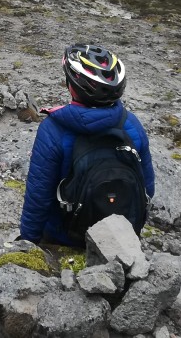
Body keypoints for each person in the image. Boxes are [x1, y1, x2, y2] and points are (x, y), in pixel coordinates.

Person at [19, 44, 155, 246]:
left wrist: (28, 240)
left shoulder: (53, 130)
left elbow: (38, 197)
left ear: (71, 86)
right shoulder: (132, 124)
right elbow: (148, 189)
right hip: (121, 233)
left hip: (67, 237)